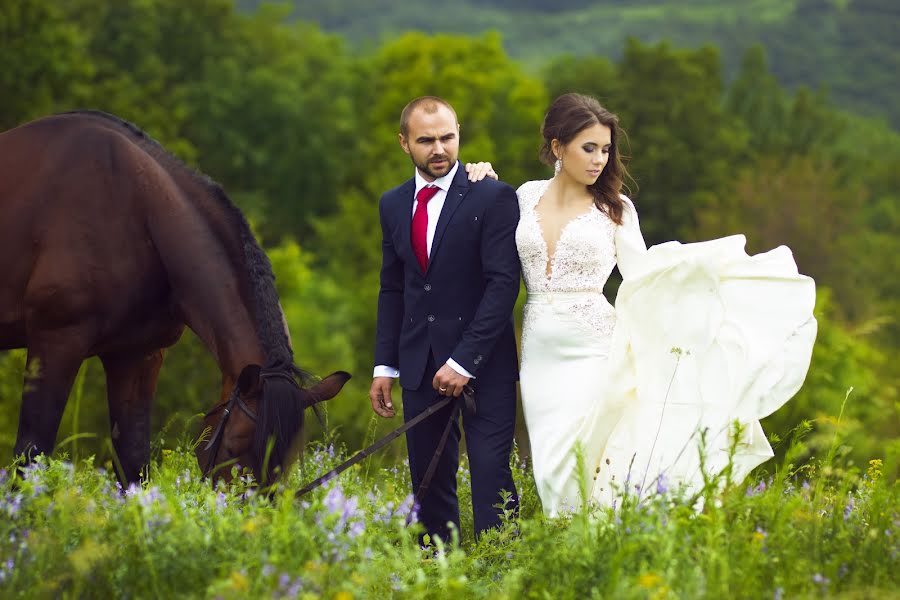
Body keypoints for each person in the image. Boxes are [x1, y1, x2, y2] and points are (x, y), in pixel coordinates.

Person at [513, 93, 817, 516]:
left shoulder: (614, 209)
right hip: (538, 357)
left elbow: (642, 274)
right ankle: (569, 548)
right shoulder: (524, 198)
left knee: (584, 455)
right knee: (548, 464)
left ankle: (593, 546)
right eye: (589, 148)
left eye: (605, 149)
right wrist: (476, 175)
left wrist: (699, 268)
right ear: (556, 146)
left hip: (593, 349)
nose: (600, 159)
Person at [369, 96, 521, 543]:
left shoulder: (492, 196)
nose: (439, 149)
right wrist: (385, 365)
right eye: (426, 140)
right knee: (428, 483)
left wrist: (464, 361)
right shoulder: (392, 205)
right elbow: (393, 288)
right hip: (419, 362)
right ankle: (436, 575)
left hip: (484, 363)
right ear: (404, 143)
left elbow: (502, 286)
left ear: (459, 135)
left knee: (492, 477)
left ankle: (499, 572)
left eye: (448, 138)